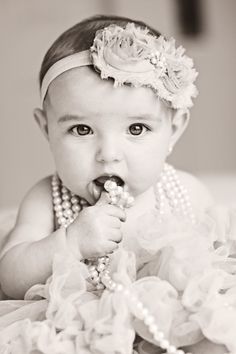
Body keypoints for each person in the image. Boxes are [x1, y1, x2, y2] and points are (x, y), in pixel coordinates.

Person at [0, 14, 234, 354]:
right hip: (80, 326)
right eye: (81, 130)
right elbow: (10, 277)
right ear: (47, 129)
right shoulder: (46, 199)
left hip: (170, 324)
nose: (108, 155)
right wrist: (70, 242)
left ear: (175, 128)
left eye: (136, 129)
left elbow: (217, 266)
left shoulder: (185, 191)